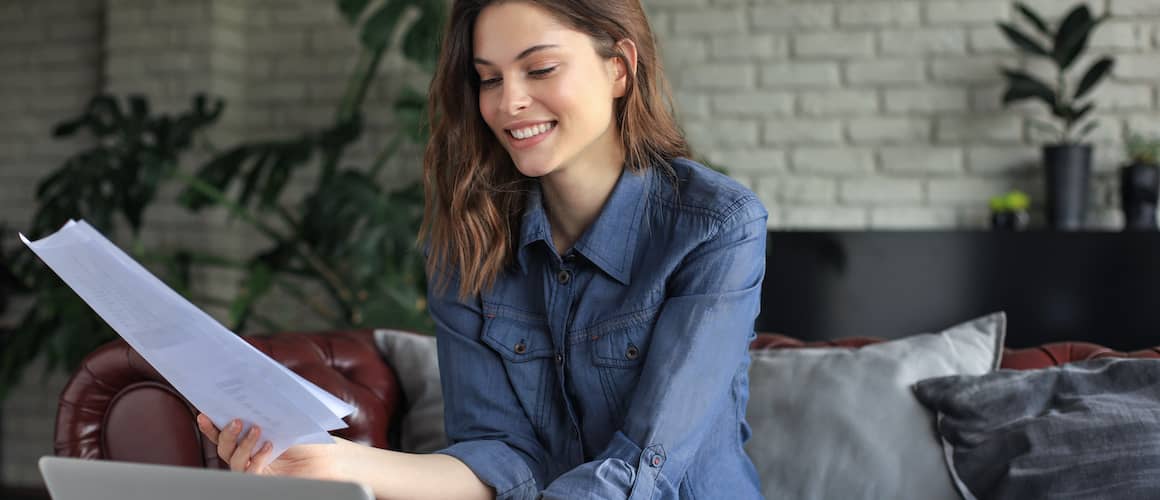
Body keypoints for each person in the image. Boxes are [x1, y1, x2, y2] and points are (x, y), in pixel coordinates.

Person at [196, 0, 767, 498]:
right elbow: (498, 457)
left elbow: (646, 466)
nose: (508, 102)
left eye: (539, 68)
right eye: (488, 79)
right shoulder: (467, 242)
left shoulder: (716, 227)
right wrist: (337, 464)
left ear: (618, 69)